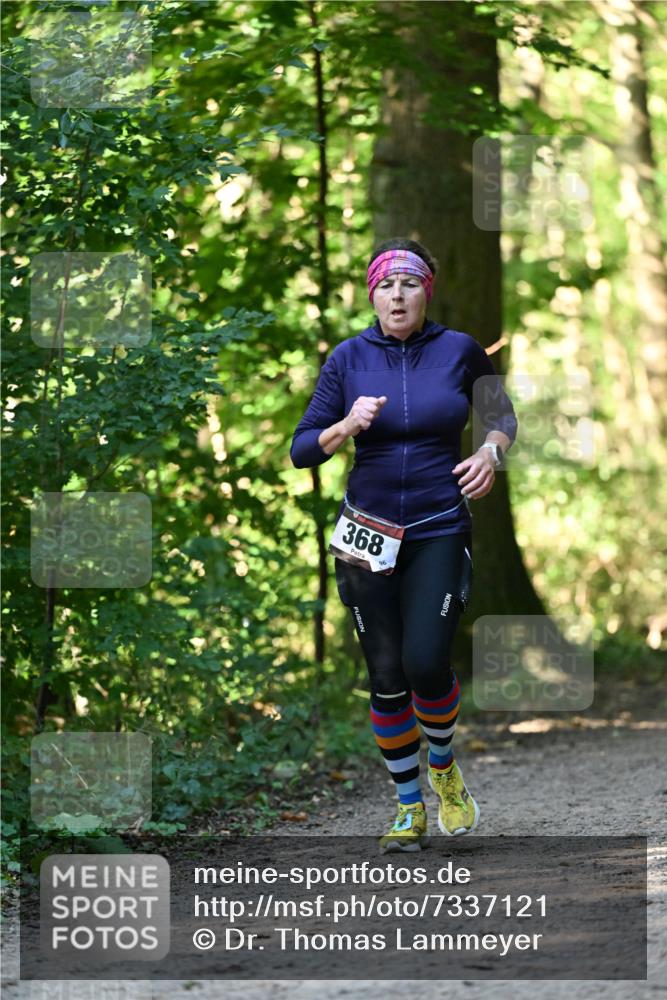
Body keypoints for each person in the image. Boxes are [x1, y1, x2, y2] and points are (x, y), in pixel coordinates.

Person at [289, 238, 518, 852]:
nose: (397, 295)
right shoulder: (348, 359)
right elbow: (302, 448)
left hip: (438, 524)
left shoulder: (460, 351)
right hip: (366, 534)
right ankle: (408, 807)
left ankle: (441, 765)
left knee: (425, 663)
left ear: (426, 292)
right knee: (386, 676)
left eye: (410, 284)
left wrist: (489, 452)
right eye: (386, 285)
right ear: (372, 295)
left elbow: (502, 417)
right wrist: (346, 425)